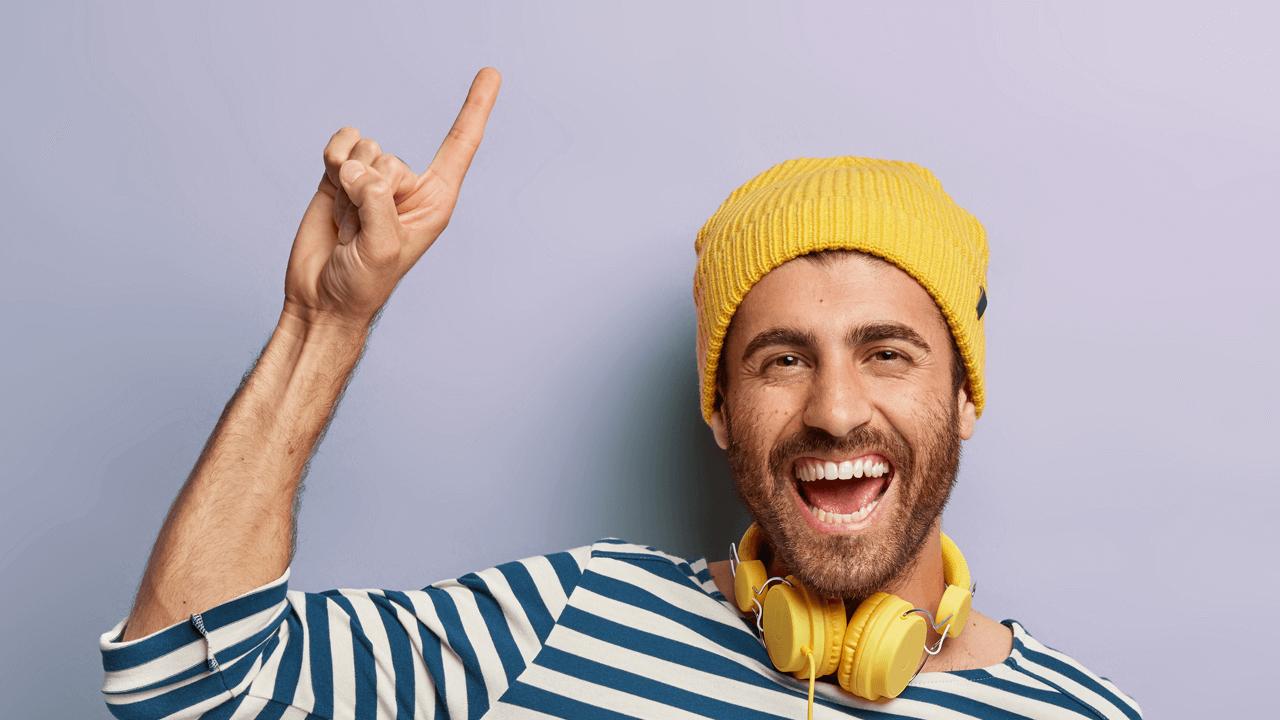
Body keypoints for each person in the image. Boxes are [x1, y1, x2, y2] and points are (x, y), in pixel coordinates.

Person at [97, 66, 1144, 720]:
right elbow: (183, 687)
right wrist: (325, 324)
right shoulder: (565, 620)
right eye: (780, 359)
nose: (832, 410)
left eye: (886, 354)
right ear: (718, 408)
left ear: (963, 394)